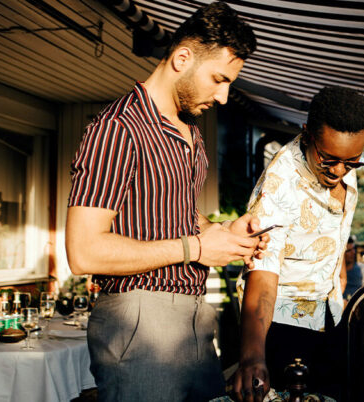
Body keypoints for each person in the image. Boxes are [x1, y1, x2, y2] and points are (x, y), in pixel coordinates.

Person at [65, 3, 261, 401]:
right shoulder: (117, 129)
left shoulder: (190, 131)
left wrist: (221, 233)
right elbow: (84, 251)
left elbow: (174, 214)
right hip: (139, 323)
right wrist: (199, 247)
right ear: (182, 58)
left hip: (195, 321)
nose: (224, 97)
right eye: (219, 79)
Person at [232, 86, 364, 401]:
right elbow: (263, 275)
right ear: (307, 135)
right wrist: (253, 358)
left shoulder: (343, 160)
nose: (339, 171)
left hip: (332, 321)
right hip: (283, 330)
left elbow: (335, 247)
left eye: (351, 162)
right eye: (329, 160)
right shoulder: (279, 183)